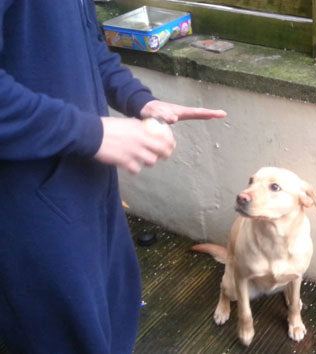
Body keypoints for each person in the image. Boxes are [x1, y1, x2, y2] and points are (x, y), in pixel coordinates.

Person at [0, 1, 227, 353]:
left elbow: (87, 44)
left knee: (115, 308)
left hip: (87, 184)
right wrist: (93, 134)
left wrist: (140, 100)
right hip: (26, 203)